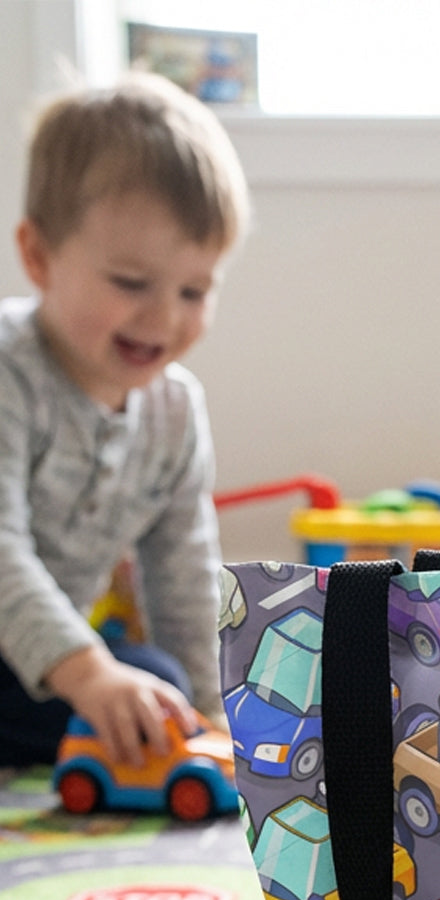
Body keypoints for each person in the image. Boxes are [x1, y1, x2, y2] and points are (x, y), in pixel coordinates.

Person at [0, 72, 249, 770]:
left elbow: (183, 576)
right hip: (42, 655)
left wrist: (206, 718)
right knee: (124, 687)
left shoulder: (174, 411)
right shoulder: (10, 372)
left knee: (158, 689)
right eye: (131, 284)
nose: (164, 318)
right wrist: (88, 674)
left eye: (194, 291)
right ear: (39, 258)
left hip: (38, 673)